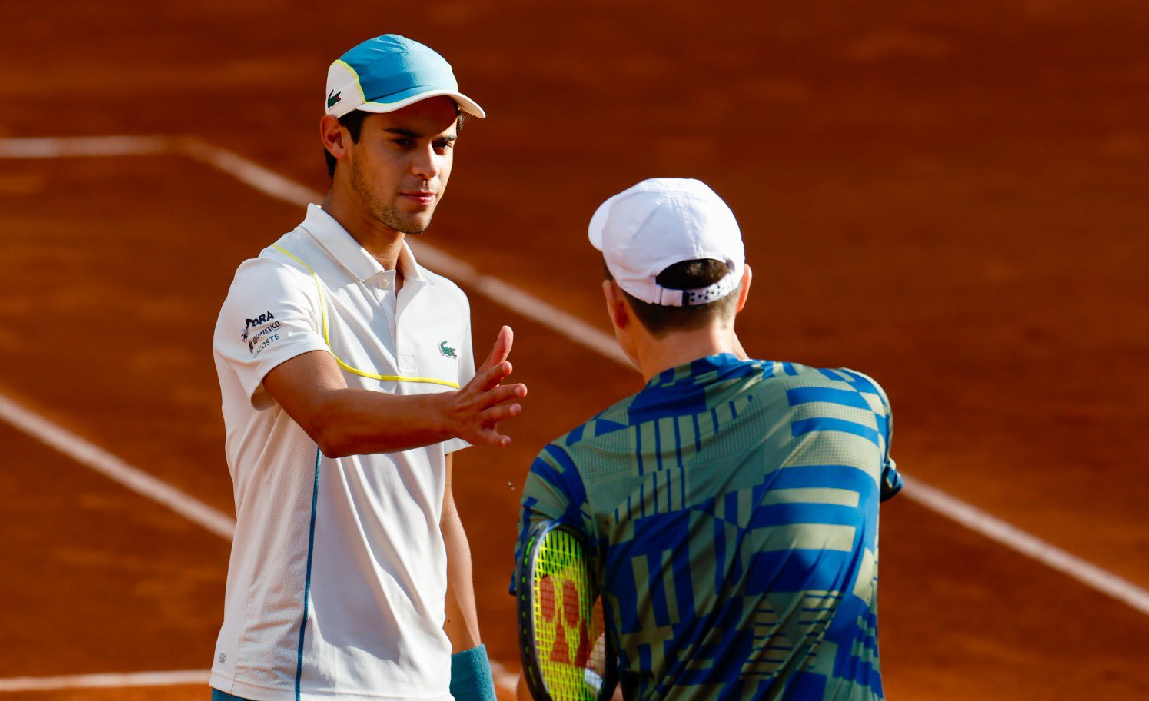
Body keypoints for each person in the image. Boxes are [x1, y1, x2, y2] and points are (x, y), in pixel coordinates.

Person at [211, 34, 526, 701]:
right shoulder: (276, 285)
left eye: (443, 146)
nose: (427, 167)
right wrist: (449, 413)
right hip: (293, 679)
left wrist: (469, 679)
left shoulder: (444, 305)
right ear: (336, 138)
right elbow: (329, 416)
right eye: (402, 141)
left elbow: (434, 511)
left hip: (416, 682)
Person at [513, 178, 902, 701]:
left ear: (616, 306)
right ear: (743, 289)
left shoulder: (571, 471)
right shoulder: (855, 405)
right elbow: (773, 536)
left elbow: (550, 682)